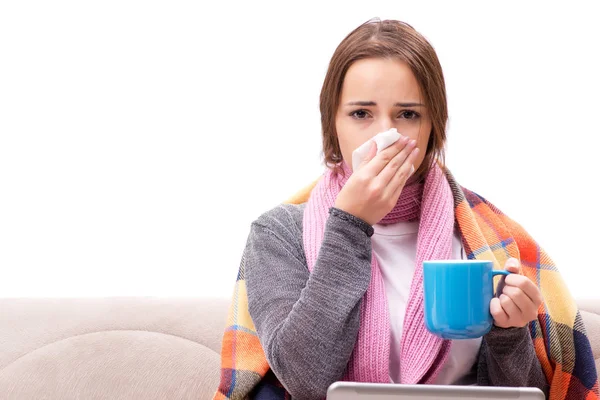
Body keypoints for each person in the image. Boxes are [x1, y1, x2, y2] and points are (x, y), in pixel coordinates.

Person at [214, 19, 598, 400]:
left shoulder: (486, 237)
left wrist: (509, 332)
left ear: (434, 128)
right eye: (361, 114)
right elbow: (304, 381)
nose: (386, 135)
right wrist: (350, 223)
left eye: (408, 115)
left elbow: (522, 395)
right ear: (332, 124)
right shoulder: (278, 234)